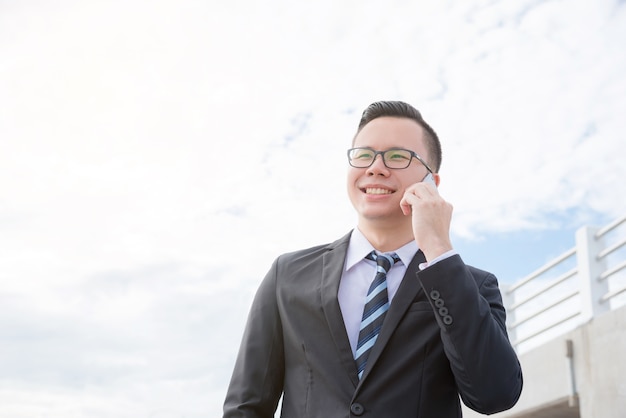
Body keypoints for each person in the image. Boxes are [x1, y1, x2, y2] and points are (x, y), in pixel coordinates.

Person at [223, 100, 523, 417]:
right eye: (364, 155)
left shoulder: (472, 286)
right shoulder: (288, 275)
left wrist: (438, 248)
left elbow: (495, 394)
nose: (375, 167)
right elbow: (246, 405)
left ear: (430, 183)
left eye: (397, 156)